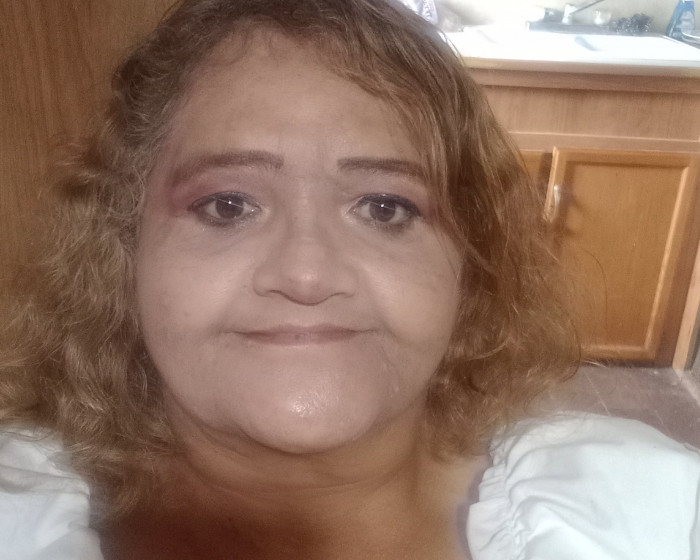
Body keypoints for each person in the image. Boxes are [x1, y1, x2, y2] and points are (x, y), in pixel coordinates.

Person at [0, 0, 698, 559]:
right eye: (228, 205)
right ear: (124, 245)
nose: (306, 274)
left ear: (471, 260)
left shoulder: (650, 513)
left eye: (384, 208)